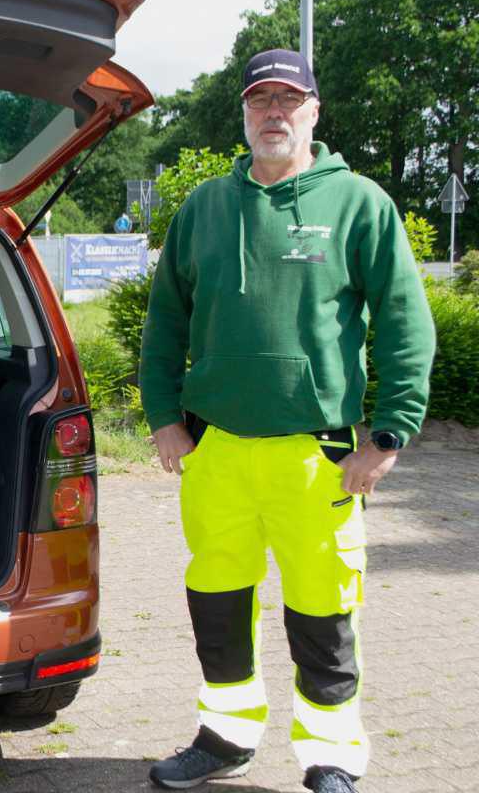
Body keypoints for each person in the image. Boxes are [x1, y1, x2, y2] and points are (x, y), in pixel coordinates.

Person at [139, 49, 435, 793]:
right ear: (243, 113)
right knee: (217, 602)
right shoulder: (205, 206)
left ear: (313, 111)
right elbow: (165, 319)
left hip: (319, 456)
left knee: (322, 611)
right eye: (259, 100)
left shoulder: (359, 202)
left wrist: (389, 434)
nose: (273, 112)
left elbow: (405, 321)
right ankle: (225, 737)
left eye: (288, 100)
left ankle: (331, 755)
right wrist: (164, 416)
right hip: (216, 451)